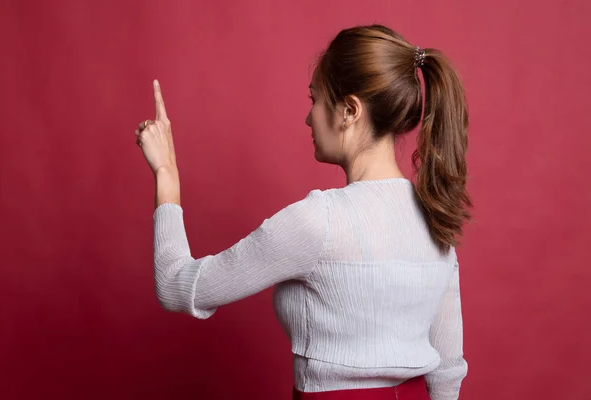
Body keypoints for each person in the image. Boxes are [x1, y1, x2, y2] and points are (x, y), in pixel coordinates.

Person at [134, 24, 471, 400]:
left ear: (349, 110)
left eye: (315, 99)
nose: (308, 118)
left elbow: (176, 286)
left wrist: (165, 171)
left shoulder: (318, 222)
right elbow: (447, 371)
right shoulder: (435, 217)